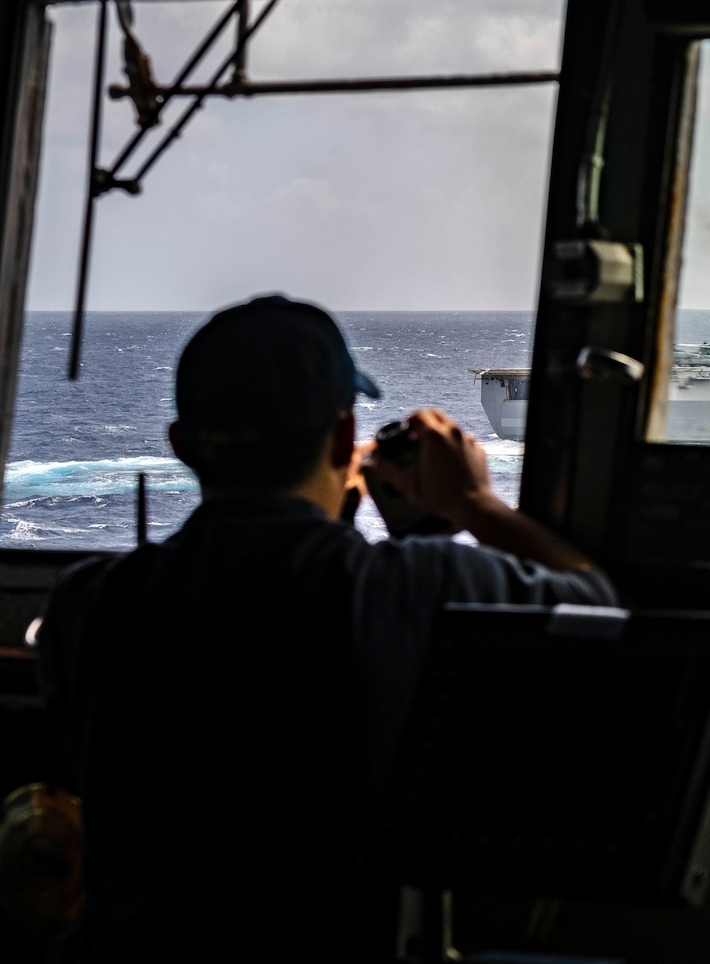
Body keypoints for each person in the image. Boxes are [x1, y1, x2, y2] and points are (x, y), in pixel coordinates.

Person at [34, 295, 616, 961]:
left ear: (183, 447)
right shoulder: (405, 590)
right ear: (343, 439)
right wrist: (472, 503)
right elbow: (595, 607)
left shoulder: (87, 608)